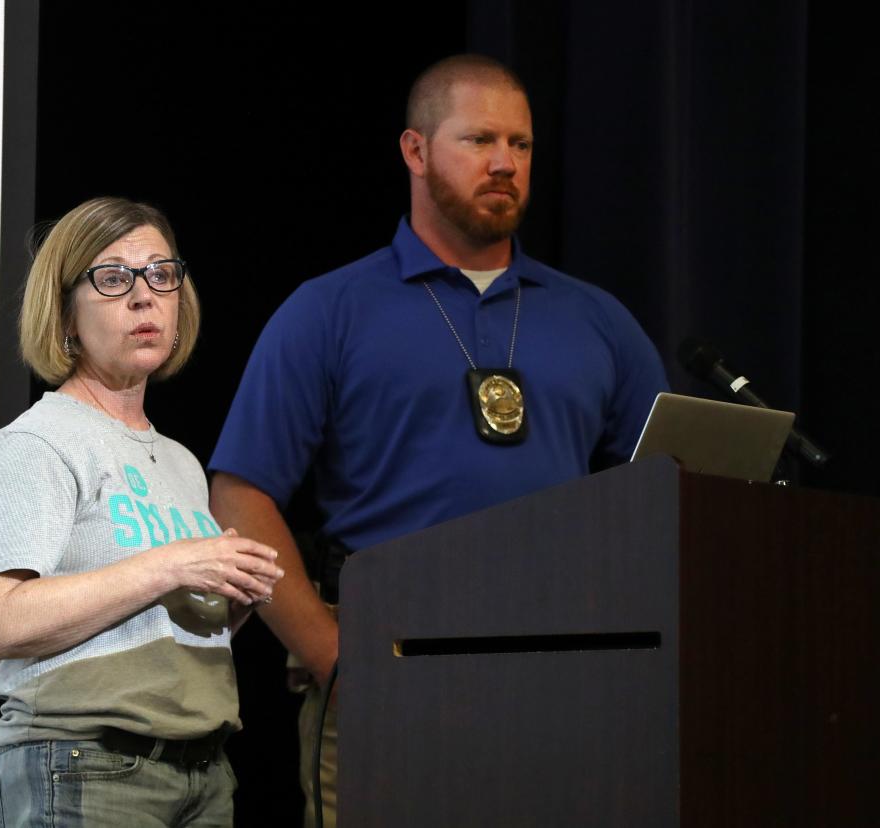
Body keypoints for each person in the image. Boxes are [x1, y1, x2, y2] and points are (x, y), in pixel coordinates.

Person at [207, 55, 669, 826]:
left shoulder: (596, 319)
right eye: (479, 139)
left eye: (520, 145)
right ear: (414, 151)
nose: (503, 163)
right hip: (390, 678)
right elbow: (240, 495)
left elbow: (667, 485)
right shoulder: (330, 311)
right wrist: (335, 658)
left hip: (562, 687)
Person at [0, 196, 284, 828]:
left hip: (203, 771)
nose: (145, 297)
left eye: (162, 275)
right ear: (66, 315)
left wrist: (231, 600)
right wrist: (170, 565)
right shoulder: (39, 442)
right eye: (113, 279)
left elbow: (148, 628)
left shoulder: (181, 461)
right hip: (87, 766)